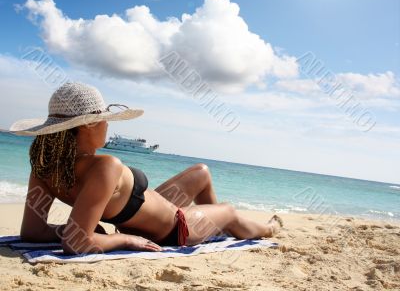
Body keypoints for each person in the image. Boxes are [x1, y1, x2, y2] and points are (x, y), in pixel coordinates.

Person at [8, 82, 283, 254]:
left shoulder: (44, 169)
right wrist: (124, 240)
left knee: (201, 172)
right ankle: (266, 229)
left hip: (153, 210)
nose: (108, 124)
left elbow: (32, 232)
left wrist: (80, 229)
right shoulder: (105, 166)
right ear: (89, 124)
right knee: (231, 212)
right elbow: (75, 243)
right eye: (104, 119)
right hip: (175, 229)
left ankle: (214, 232)